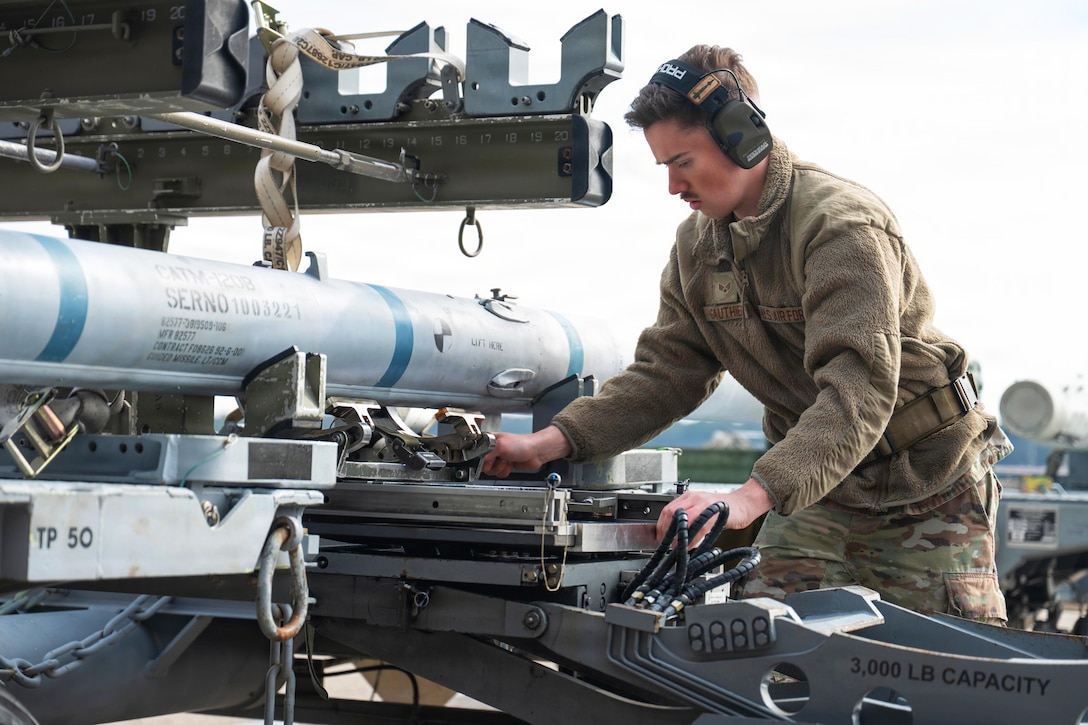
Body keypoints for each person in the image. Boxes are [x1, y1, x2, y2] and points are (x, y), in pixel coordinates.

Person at [482, 45, 1011, 624]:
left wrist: (746, 499)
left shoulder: (841, 228)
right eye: (663, 167)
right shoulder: (696, 250)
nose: (673, 187)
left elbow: (857, 393)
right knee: (764, 649)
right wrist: (551, 442)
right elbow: (668, 373)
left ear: (741, 137)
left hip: (925, 483)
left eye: (681, 161)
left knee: (946, 670)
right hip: (815, 490)